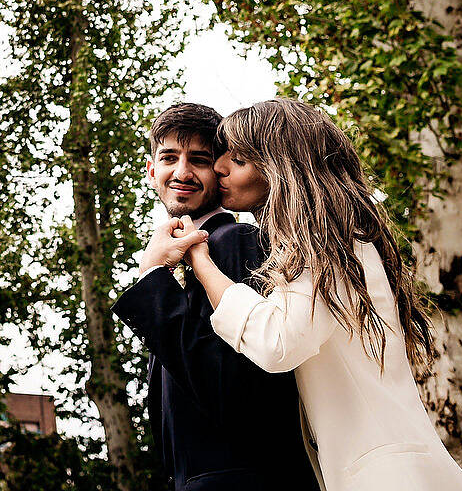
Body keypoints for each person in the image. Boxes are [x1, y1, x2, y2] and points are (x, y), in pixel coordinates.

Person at [159, 98, 462, 491]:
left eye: (238, 160)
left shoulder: (327, 246)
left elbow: (278, 342)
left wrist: (201, 259)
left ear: (281, 168)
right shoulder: (325, 242)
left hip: (387, 475)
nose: (221, 167)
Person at [113, 102, 321, 491]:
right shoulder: (185, 261)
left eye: (200, 159)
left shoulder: (238, 241)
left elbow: (233, 389)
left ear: (220, 170)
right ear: (151, 169)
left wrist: (151, 280)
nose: (182, 172)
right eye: (169, 157)